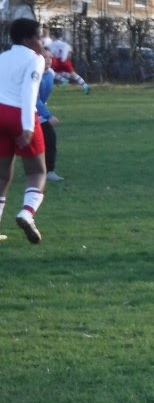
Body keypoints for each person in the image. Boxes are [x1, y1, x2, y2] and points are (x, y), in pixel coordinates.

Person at [0, 18, 48, 244]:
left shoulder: (3, 57)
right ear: (28, 40)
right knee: (37, 171)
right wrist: (28, 127)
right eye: (39, 37)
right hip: (19, 114)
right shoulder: (34, 59)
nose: (42, 42)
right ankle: (27, 213)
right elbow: (29, 92)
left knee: (2, 174)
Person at [35, 45, 63, 182]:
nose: (48, 60)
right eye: (45, 57)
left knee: (49, 138)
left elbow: (41, 98)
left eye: (50, 57)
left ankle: (48, 171)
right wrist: (48, 115)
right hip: (24, 111)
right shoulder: (34, 74)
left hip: (37, 112)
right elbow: (34, 98)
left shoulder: (50, 73)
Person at [46, 29, 90, 94]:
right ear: (60, 36)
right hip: (65, 61)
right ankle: (85, 86)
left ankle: (63, 80)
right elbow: (69, 53)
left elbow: (49, 52)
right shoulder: (65, 44)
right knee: (73, 74)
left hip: (55, 61)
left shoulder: (51, 45)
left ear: (54, 36)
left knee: (51, 72)